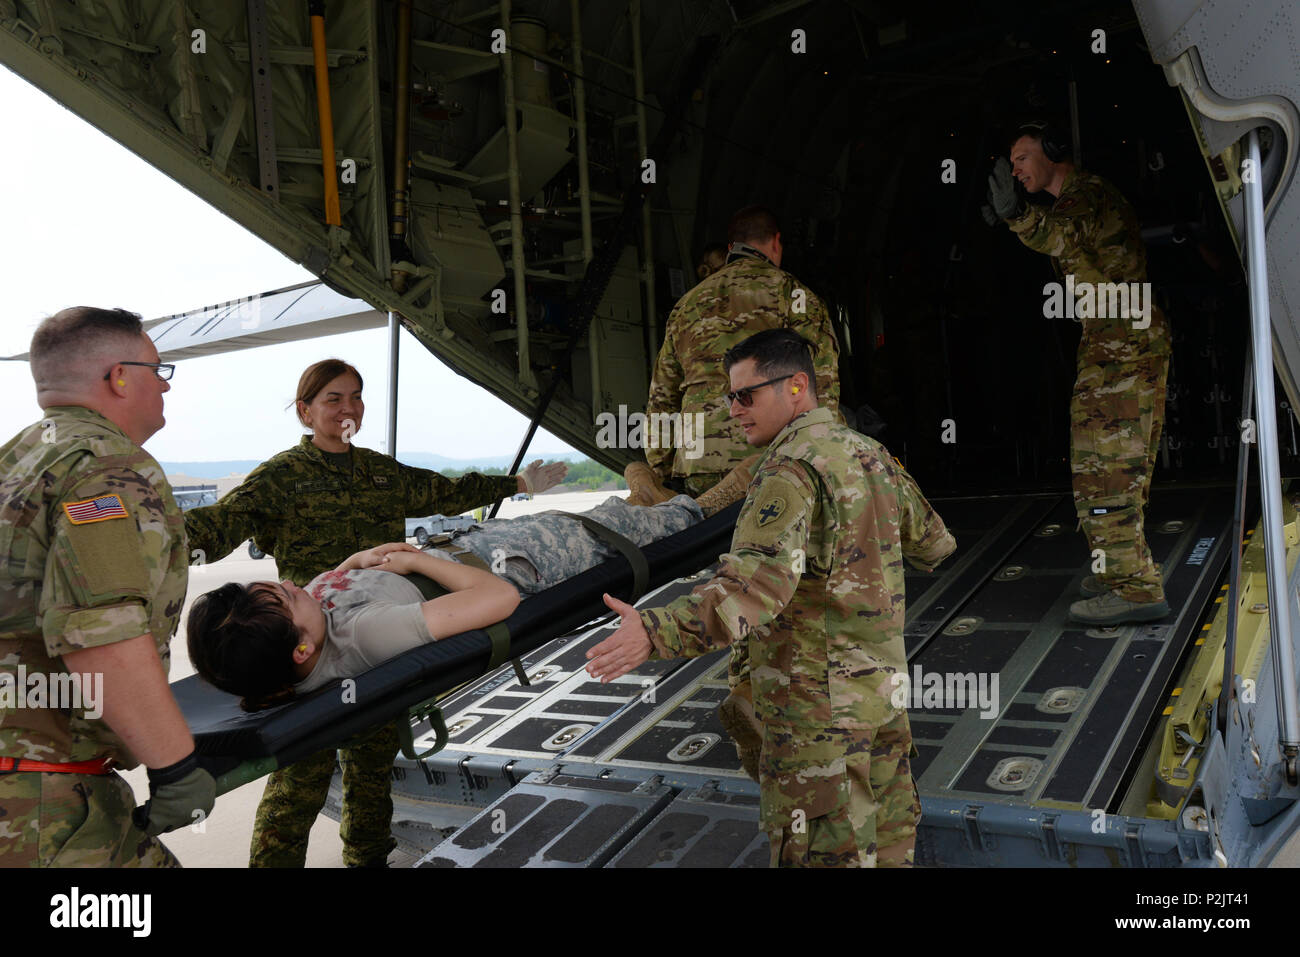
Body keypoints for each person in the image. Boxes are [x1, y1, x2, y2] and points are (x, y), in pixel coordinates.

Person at [587, 330, 956, 868]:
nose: (734, 411)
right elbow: (935, 545)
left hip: (816, 721)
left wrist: (654, 629)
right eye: (729, 397)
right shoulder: (871, 454)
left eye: (747, 395)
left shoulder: (790, 470)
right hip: (880, 700)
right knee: (890, 845)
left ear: (797, 386)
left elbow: (752, 591)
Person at [184, 358, 566, 868]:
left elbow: (447, 491)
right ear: (305, 411)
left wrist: (516, 485)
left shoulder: (381, 473)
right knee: (296, 789)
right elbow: (217, 526)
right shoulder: (282, 477)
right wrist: (147, 542)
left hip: (381, 647)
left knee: (371, 775)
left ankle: (366, 862)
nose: (349, 408)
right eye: (333, 399)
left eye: (356, 396)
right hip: (307, 655)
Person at [636, 205, 847, 777]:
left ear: (730, 247)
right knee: (790, 573)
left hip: (704, 465)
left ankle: (749, 687)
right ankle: (767, 694)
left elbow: (661, 396)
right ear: (774, 244)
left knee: (737, 571)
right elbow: (820, 386)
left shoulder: (688, 304)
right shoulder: (797, 297)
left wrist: (662, 471)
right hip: (777, 455)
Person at [0, 307, 214, 867]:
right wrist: (176, 769)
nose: (164, 384)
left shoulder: (14, 461)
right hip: (41, 806)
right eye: (158, 369)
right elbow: (100, 634)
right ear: (119, 377)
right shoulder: (105, 469)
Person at [186, 494, 705, 705]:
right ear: (301, 650)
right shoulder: (367, 636)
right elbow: (499, 597)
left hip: (478, 544)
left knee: (615, 513)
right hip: (515, 561)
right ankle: (704, 504)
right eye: (288, 598)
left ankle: (653, 497)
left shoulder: (291, 634)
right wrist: (414, 562)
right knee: (622, 527)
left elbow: (324, 588)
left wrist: (354, 563)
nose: (296, 586)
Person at [987, 122, 1171, 625]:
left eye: (1023, 157)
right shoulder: (1083, 199)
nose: (1017, 169)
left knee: (1103, 469)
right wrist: (1019, 217)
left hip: (1121, 345)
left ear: (1052, 153)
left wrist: (1018, 216)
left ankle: (1135, 590)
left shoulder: (1082, 196)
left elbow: (1060, 235)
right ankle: (1122, 570)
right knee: (1123, 466)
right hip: (1122, 338)